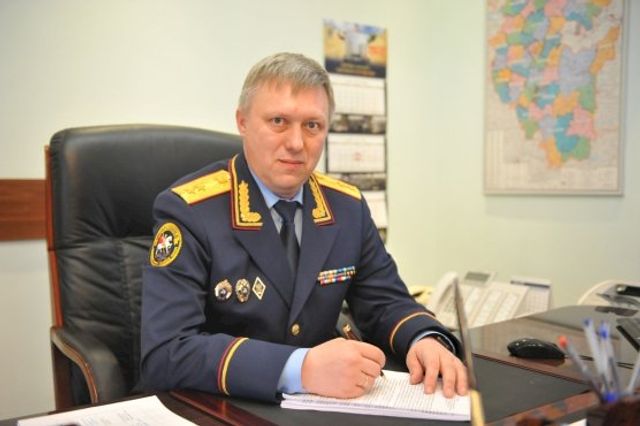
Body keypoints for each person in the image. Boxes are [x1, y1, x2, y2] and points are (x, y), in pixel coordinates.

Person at [140, 52, 468, 402]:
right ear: (242, 122)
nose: (297, 143)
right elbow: (166, 352)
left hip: (325, 405)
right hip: (226, 406)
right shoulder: (191, 210)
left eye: (312, 125)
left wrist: (424, 339)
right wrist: (300, 368)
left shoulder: (346, 207)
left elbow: (385, 301)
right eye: (278, 121)